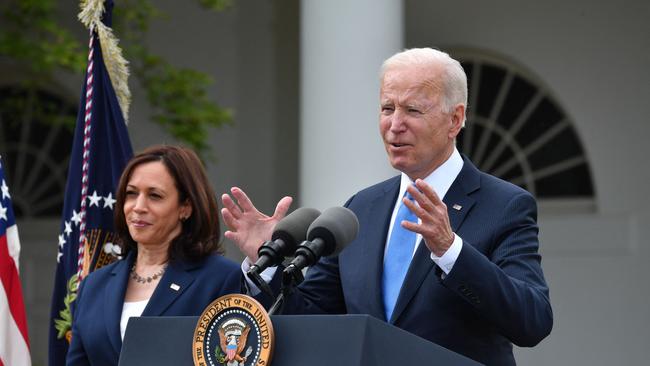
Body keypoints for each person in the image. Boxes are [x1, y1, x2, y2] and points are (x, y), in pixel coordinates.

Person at [221, 48, 553, 365]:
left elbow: (532, 320)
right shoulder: (359, 211)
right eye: (387, 108)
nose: (394, 125)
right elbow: (313, 317)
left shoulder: (504, 206)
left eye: (413, 110)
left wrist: (451, 251)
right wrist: (265, 260)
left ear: (455, 119)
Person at [66, 145, 242, 365]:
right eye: (131, 194)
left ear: (185, 207)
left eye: (155, 196)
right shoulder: (93, 286)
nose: (138, 206)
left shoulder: (221, 279)